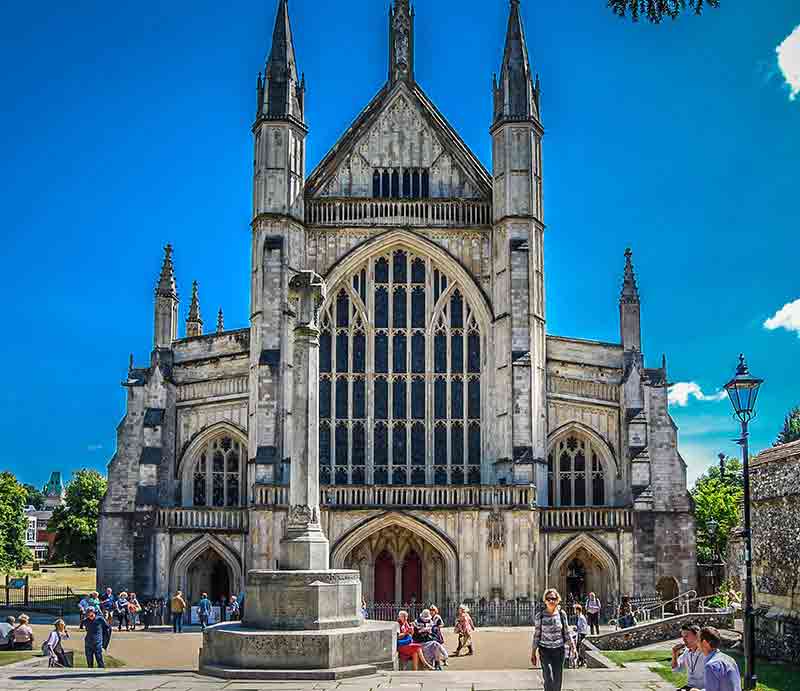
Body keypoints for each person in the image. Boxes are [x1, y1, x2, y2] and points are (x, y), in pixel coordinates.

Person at [531, 589, 577, 691]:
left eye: (553, 598)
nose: (551, 601)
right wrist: (533, 652)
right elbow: (537, 634)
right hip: (545, 650)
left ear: (557, 600)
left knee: (557, 680)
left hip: (559, 650)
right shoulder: (540, 615)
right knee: (548, 677)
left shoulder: (562, 614)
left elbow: (566, 632)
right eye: (548, 599)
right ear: (545, 601)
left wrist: (573, 648)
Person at [691, 626, 741, 691]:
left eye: (698, 640)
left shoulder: (711, 666)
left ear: (704, 643)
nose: (696, 643)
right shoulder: (730, 659)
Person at [671, 624, 705, 691]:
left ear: (697, 636)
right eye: (682, 637)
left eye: (686, 636)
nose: (683, 639)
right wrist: (674, 654)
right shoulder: (687, 652)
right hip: (689, 687)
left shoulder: (706, 653)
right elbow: (676, 669)